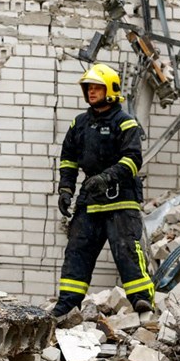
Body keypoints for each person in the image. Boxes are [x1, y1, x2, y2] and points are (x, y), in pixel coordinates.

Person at [52, 63, 154, 319]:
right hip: (90, 201)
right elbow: (68, 159)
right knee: (77, 251)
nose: (91, 92)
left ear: (111, 89)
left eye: (97, 87)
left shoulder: (126, 123)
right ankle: (67, 304)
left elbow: (132, 159)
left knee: (126, 250)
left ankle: (141, 300)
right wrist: (65, 189)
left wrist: (107, 177)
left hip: (121, 199)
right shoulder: (80, 123)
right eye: (88, 88)